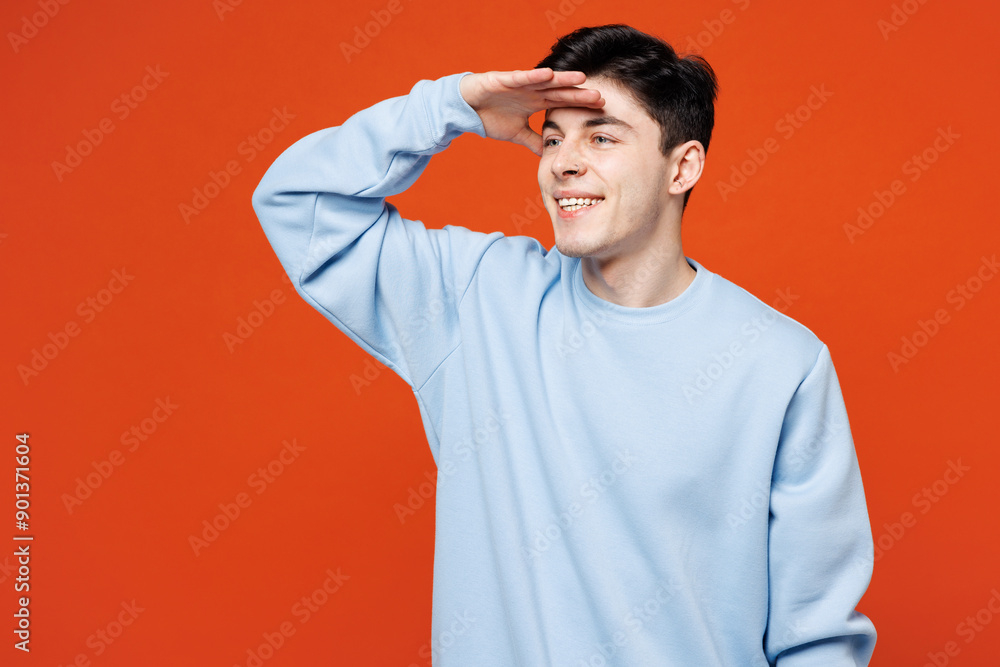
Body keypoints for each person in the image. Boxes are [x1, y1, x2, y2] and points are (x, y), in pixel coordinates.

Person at [252, 23, 877, 666]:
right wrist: (452, 106)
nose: (563, 163)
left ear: (682, 166)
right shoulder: (476, 298)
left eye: (601, 137)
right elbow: (296, 200)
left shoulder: (780, 362)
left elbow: (817, 635)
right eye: (553, 138)